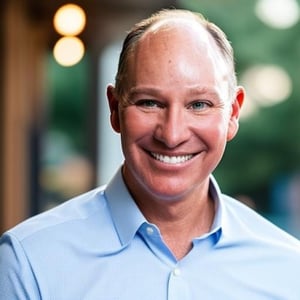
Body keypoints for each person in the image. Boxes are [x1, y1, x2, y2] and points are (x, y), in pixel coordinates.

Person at [1, 8, 300, 299]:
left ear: (233, 113)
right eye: (149, 103)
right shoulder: (29, 263)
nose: (172, 135)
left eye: (198, 105)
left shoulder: (289, 270)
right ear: (114, 109)